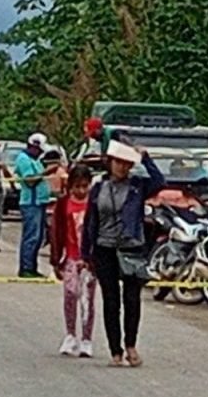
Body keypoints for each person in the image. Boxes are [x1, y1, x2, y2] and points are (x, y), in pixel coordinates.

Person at [82, 142, 167, 368]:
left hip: (131, 247)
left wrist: (145, 157)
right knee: (111, 301)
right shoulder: (98, 188)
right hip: (104, 248)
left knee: (132, 299)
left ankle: (131, 345)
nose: (121, 167)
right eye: (118, 162)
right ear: (109, 163)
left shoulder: (138, 186)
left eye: (126, 163)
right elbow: (91, 221)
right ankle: (115, 351)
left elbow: (160, 182)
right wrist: (85, 253)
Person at [50, 166, 97, 358]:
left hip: (89, 260)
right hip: (69, 256)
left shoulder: (94, 204)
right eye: (77, 186)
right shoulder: (63, 205)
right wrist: (55, 259)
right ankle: (70, 335)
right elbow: (55, 232)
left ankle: (86, 340)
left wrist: (93, 258)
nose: (81, 191)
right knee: (70, 296)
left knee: (87, 299)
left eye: (85, 186)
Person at [14, 133, 55, 278]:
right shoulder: (23, 160)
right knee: (31, 236)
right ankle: (26, 267)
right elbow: (30, 181)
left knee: (38, 237)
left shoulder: (35, 160)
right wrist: (47, 172)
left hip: (39, 201)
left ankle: (32, 266)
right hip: (31, 202)